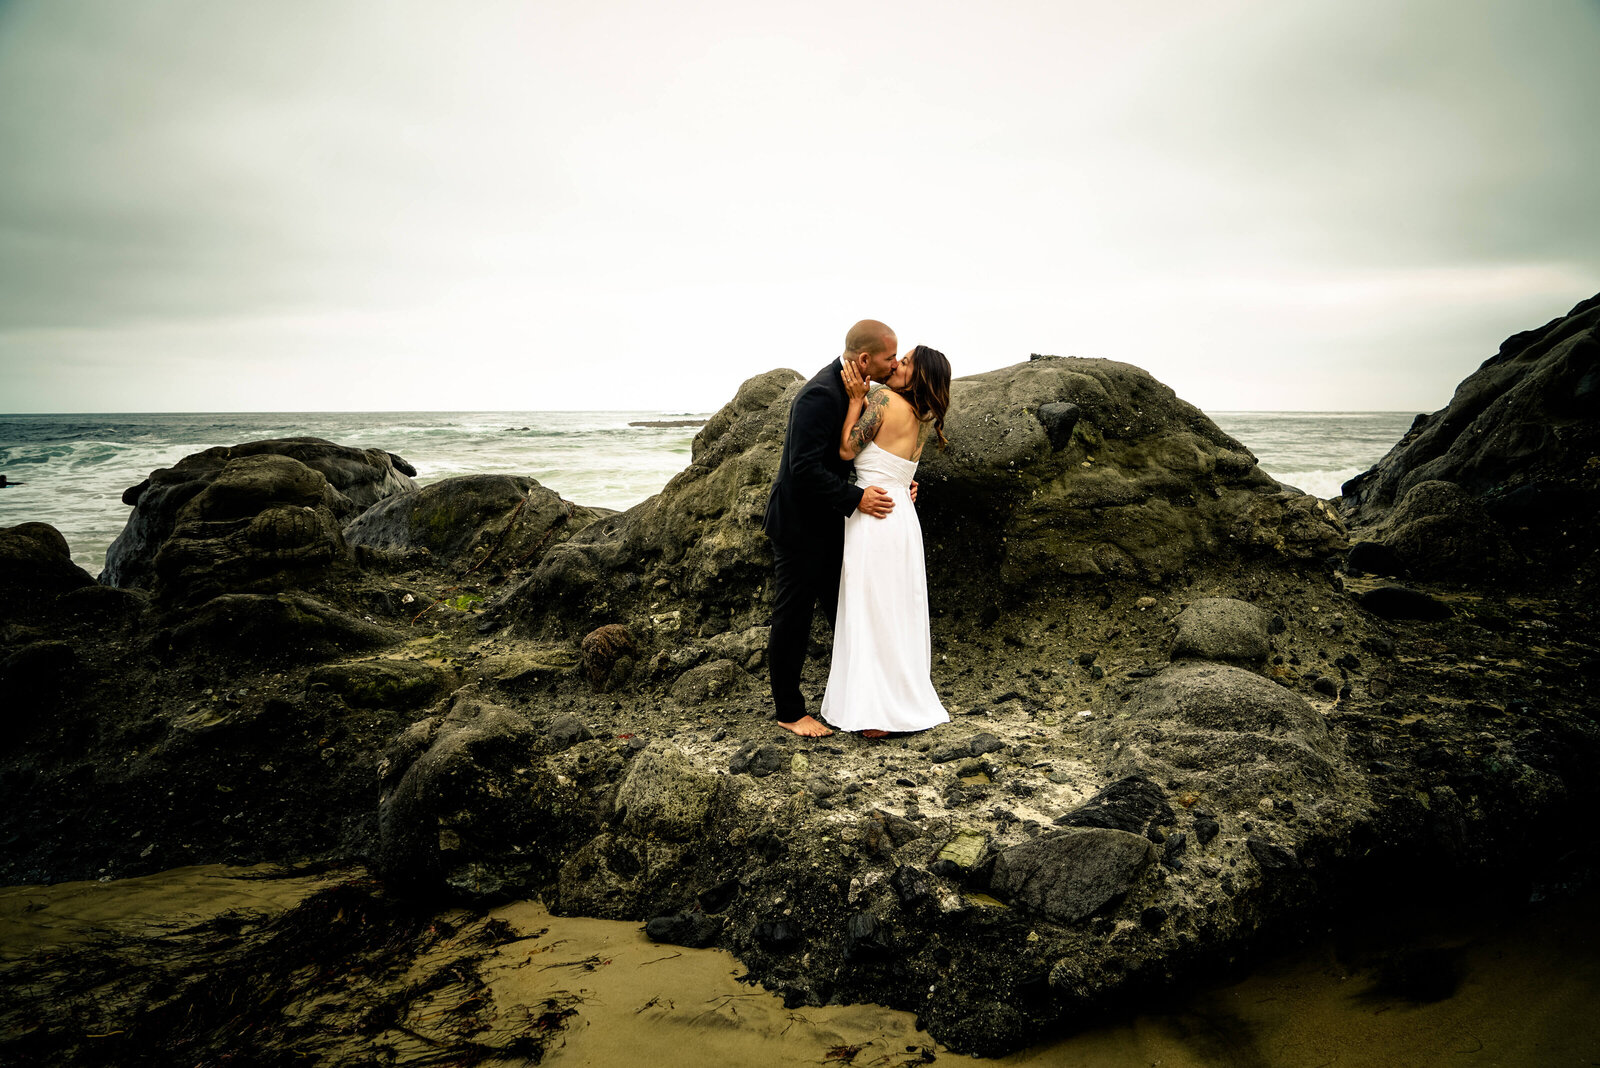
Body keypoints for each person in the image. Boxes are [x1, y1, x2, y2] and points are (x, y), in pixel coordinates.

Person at [763, 320, 902, 738]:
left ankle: (860, 707)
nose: (895, 364)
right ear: (864, 360)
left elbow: (855, 452)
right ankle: (789, 711)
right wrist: (856, 499)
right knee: (793, 618)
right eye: (888, 357)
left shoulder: (863, 393)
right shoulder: (820, 394)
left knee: (848, 615)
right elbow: (802, 469)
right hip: (799, 525)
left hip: (833, 526)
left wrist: (898, 480)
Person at [820, 345, 952, 737]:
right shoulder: (923, 416)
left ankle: (875, 714)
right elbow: (899, 469)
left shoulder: (881, 399)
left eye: (907, 362)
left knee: (872, 609)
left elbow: (847, 449)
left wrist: (856, 400)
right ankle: (899, 700)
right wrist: (906, 486)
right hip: (902, 519)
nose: (897, 364)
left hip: (873, 516)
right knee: (897, 609)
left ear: (919, 377)